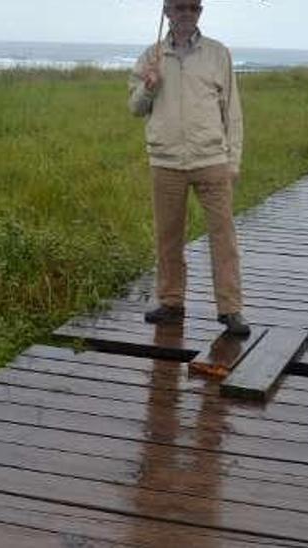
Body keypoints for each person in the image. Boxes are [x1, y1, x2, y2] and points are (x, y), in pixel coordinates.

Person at [127, 0, 250, 336]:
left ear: (200, 12)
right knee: (168, 238)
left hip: (211, 161)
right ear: (167, 11)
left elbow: (232, 112)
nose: (186, 14)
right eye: (179, 7)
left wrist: (233, 161)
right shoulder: (150, 56)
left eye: (193, 8)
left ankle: (230, 310)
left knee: (224, 238)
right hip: (165, 162)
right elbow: (135, 108)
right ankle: (170, 302)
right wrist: (148, 86)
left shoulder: (217, 53)